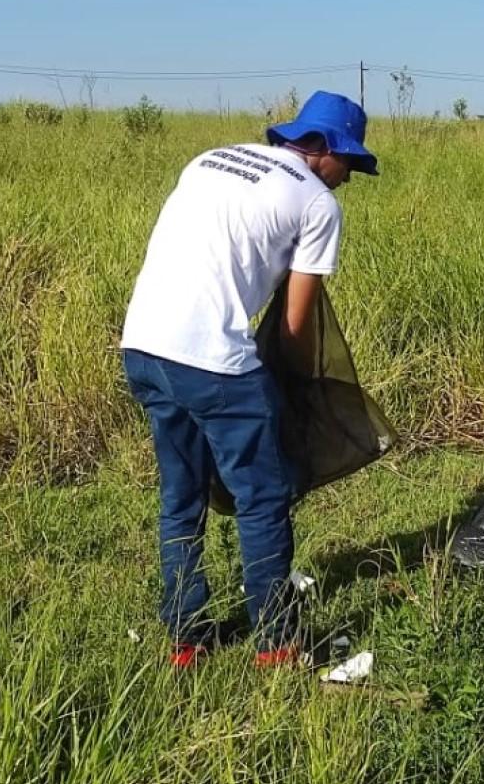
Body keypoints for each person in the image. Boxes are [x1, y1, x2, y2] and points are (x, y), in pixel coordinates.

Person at [121, 91, 379, 669]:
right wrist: (286, 387)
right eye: (350, 164)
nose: (349, 179)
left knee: (180, 494)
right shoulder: (316, 204)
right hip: (213, 364)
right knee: (263, 498)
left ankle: (186, 639)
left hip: (142, 347)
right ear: (323, 149)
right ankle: (276, 644)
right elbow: (294, 323)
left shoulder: (209, 159)